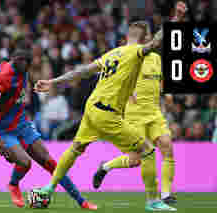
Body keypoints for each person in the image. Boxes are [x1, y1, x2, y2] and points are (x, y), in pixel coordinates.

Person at [32, 20, 176, 211]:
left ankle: (48, 188)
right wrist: (175, 21)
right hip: (108, 113)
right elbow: (156, 43)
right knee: (147, 151)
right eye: (148, 36)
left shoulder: (113, 53)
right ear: (145, 38)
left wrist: (53, 81)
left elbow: (83, 71)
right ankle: (153, 202)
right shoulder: (136, 51)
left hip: (92, 107)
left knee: (76, 148)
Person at [0, 48, 97, 210]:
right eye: (20, 61)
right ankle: (13, 184)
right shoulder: (3, 78)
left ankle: (81, 201)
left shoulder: (24, 71)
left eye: (27, 62)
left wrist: (37, 86)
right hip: (4, 130)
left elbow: (15, 85)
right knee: (25, 162)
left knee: (51, 163)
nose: (24, 65)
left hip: (22, 124)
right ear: (15, 60)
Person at [93, 1, 187, 206]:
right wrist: (127, 93)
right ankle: (105, 166)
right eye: (148, 34)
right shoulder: (130, 56)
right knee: (136, 159)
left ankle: (165, 194)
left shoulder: (155, 59)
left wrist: (167, 97)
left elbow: (159, 82)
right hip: (134, 114)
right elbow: (115, 80)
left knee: (167, 147)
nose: (150, 37)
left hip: (154, 113)